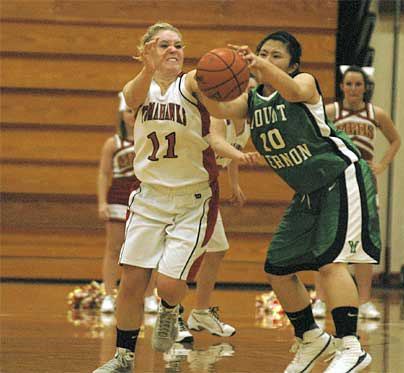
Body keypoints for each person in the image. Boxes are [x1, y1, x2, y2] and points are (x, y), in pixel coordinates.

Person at [198, 31, 381, 372]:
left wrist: (262, 66)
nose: (265, 58)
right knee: (278, 268)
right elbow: (219, 106)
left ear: (293, 64)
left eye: (276, 55)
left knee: (331, 263)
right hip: (308, 192)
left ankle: (350, 346)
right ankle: (312, 338)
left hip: (340, 177)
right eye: (262, 52)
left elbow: (295, 90)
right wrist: (201, 79)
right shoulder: (251, 101)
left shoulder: (305, 83)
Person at [93, 22, 258, 373]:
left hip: (192, 199)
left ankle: (170, 309)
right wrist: (146, 66)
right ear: (146, 50)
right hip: (150, 197)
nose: (173, 50)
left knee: (168, 284)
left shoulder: (195, 82)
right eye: (164, 44)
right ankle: (123, 358)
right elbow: (134, 95)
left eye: (179, 45)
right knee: (131, 283)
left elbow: (230, 107)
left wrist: (244, 74)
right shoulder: (138, 89)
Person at [312, 66, 401, 320]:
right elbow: (313, 137)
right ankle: (319, 299)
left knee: (366, 242)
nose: (353, 89)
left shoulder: (377, 114)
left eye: (358, 85)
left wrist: (382, 164)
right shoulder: (331, 112)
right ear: (341, 86)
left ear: (365, 88)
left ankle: (364, 301)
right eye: (348, 84)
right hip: (335, 182)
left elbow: (395, 140)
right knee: (324, 240)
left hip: (365, 184)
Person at [176, 116, 250, 343]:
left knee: (217, 249)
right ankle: (172, 315)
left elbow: (231, 152)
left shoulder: (246, 124)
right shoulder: (219, 119)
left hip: (210, 186)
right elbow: (218, 145)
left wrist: (234, 184)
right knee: (187, 253)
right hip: (192, 185)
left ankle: (199, 312)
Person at [97, 92, 159, 314]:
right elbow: (104, 174)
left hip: (146, 197)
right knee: (114, 248)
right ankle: (108, 295)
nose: (133, 116)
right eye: (129, 111)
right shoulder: (112, 143)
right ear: (122, 114)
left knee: (151, 249)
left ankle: (151, 295)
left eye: (136, 111)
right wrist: (102, 202)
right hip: (119, 197)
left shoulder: (153, 139)